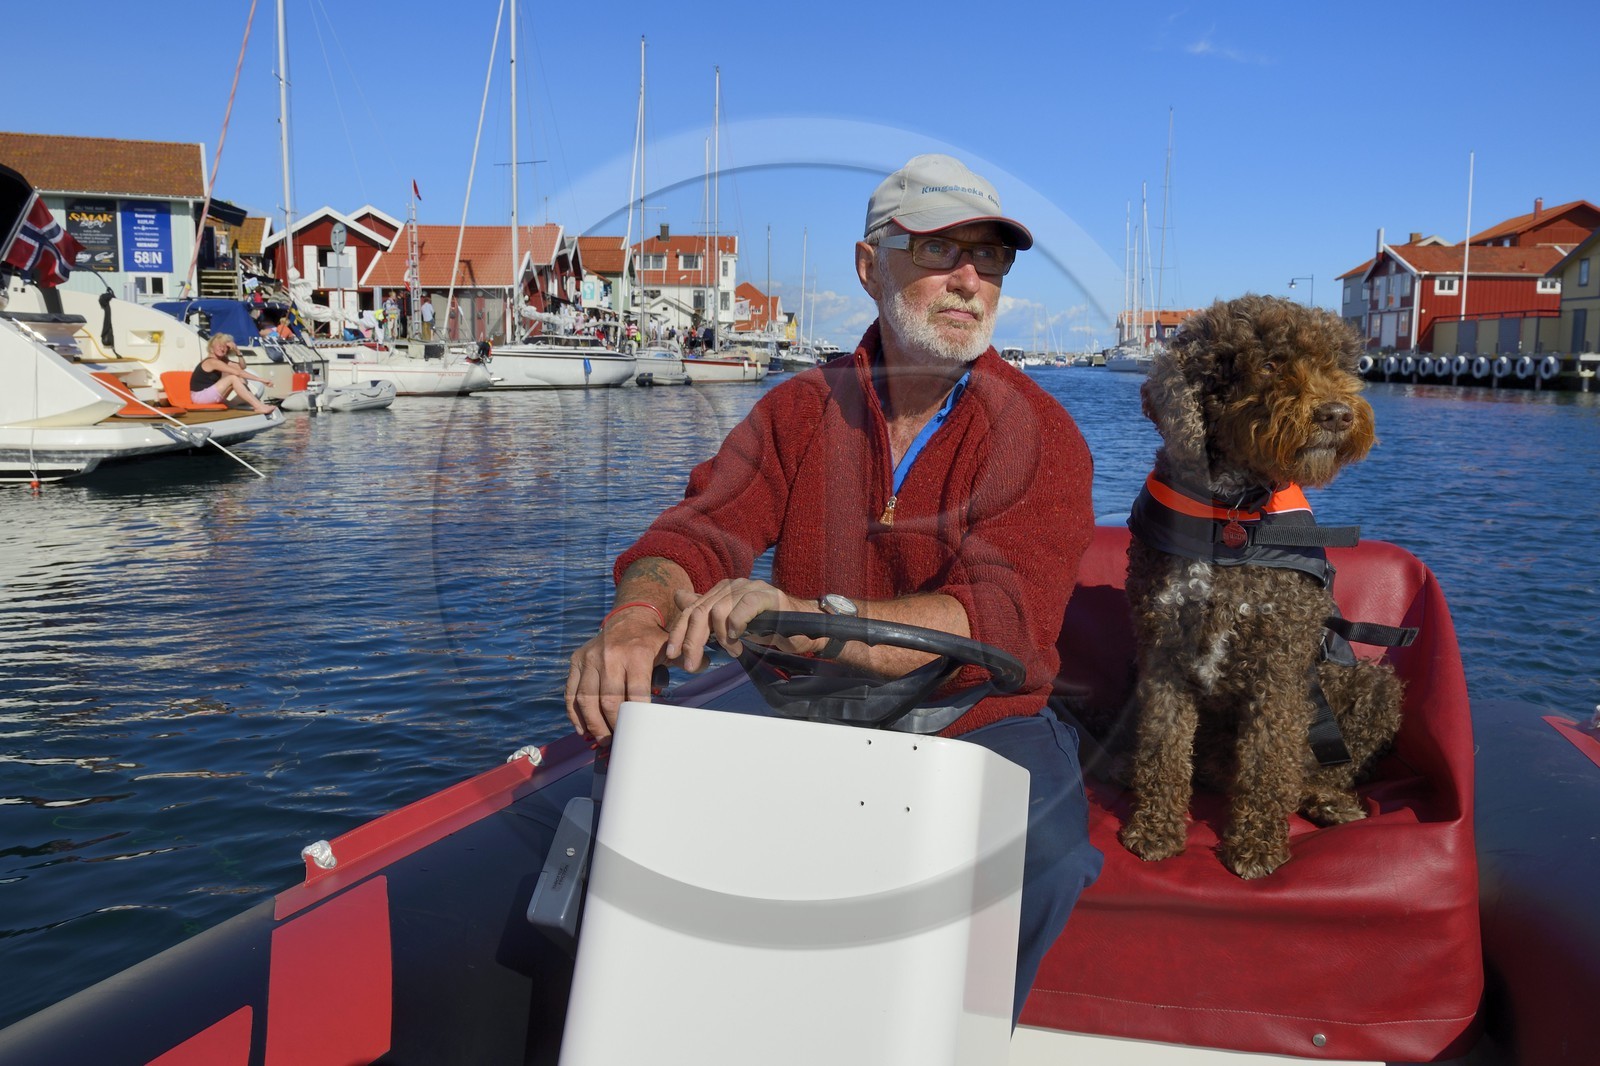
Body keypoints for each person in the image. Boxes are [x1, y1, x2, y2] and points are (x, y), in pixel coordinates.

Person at [565, 153, 1101, 1025]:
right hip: (808, 716)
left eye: (991, 258)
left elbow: (998, 621)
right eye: (939, 251)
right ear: (869, 266)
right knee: (631, 823)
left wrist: (807, 620)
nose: (971, 279)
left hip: (983, 725)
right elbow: (698, 531)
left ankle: (954, 1036)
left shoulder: (1040, 432)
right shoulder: (800, 409)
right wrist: (634, 621)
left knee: (1043, 858)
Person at [191, 333, 276, 416]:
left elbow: (242, 367)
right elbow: (238, 372)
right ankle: (258, 406)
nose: (222, 349)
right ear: (212, 347)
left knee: (239, 378)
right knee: (233, 378)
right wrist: (261, 380)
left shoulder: (222, 361)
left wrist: (237, 351)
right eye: (219, 345)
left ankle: (255, 404)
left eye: (225, 347)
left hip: (209, 395)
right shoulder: (212, 361)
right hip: (200, 397)